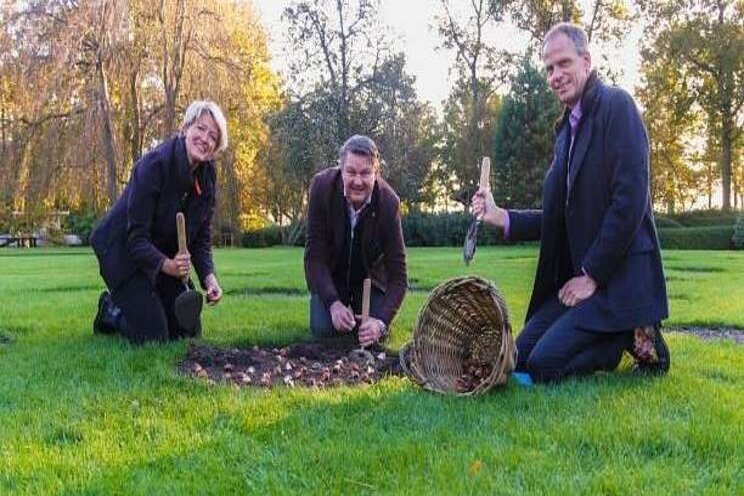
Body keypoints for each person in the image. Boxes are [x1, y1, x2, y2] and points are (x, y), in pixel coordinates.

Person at [472, 23, 670, 383]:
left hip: (618, 280)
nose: (555, 75)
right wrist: (501, 217)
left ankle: (628, 334)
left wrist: (591, 275)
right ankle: (616, 332)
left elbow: (630, 202)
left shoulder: (617, 106)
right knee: (522, 354)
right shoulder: (566, 131)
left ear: (586, 61)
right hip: (584, 281)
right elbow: (561, 215)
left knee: (546, 365)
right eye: (549, 68)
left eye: (563, 63)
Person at [90, 100, 227, 344]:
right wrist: (168, 266)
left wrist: (209, 277)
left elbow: (200, 237)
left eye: (213, 136)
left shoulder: (207, 177)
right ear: (186, 128)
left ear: (215, 147)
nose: (205, 139)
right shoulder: (154, 165)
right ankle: (110, 310)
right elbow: (136, 239)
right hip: (122, 250)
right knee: (154, 336)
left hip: (159, 253)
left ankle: (149, 305)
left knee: (187, 330)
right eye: (200, 128)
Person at [304, 135, 407, 347]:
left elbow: (399, 277)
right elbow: (314, 258)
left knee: (375, 334)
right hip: (333, 276)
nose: (357, 181)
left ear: (375, 173)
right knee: (323, 329)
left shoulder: (389, 203)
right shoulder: (321, 188)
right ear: (340, 170)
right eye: (351, 172)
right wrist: (333, 304)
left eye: (365, 173)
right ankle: (335, 305)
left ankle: (370, 319)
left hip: (371, 281)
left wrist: (381, 323)